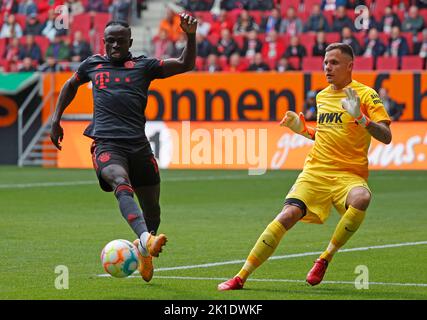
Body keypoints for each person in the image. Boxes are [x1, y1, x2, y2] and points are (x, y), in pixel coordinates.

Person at [218, 43, 392, 291]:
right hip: (316, 171)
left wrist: (361, 118)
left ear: (350, 66)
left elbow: (386, 136)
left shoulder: (365, 95)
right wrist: (302, 129)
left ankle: (324, 259)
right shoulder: (322, 97)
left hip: (348, 175)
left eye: (334, 62)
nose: (327, 68)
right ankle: (241, 276)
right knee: (287, 215)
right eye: (325, 63)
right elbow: (326, 135)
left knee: (362, 197)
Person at [50, 15, 198, 283]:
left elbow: (186, 63)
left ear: (130, 42)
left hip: (138, 146)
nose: (115, 45)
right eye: (110, 41)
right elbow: (71, 84)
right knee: (120, 180)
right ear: (103, 42)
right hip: (107, 144)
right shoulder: (92, 65)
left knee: (152, 208)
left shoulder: (144, 66)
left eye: (120, 41)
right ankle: (146, 239)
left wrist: (190, 35)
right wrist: (56, 118)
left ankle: (144, 250)